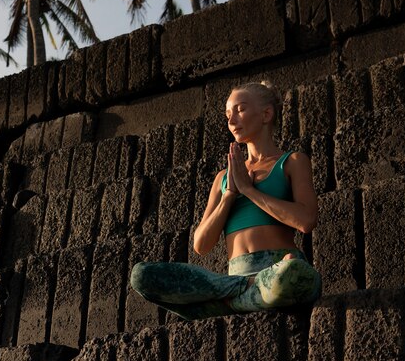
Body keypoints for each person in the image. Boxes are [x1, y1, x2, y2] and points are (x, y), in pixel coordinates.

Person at [130, 81, 322, 320]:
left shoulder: (292, 161)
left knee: (295, 274)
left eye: (240, 110)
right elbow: (201, 244)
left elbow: (306, 221)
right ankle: (244, 292)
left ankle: (226, 304)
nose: (231, 121)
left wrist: (249, 190)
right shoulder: (223, 178)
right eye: (228, 114)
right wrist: (229, 195)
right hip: (230, 280)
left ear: (266, 114)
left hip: (276, 270)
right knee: (141, 275)